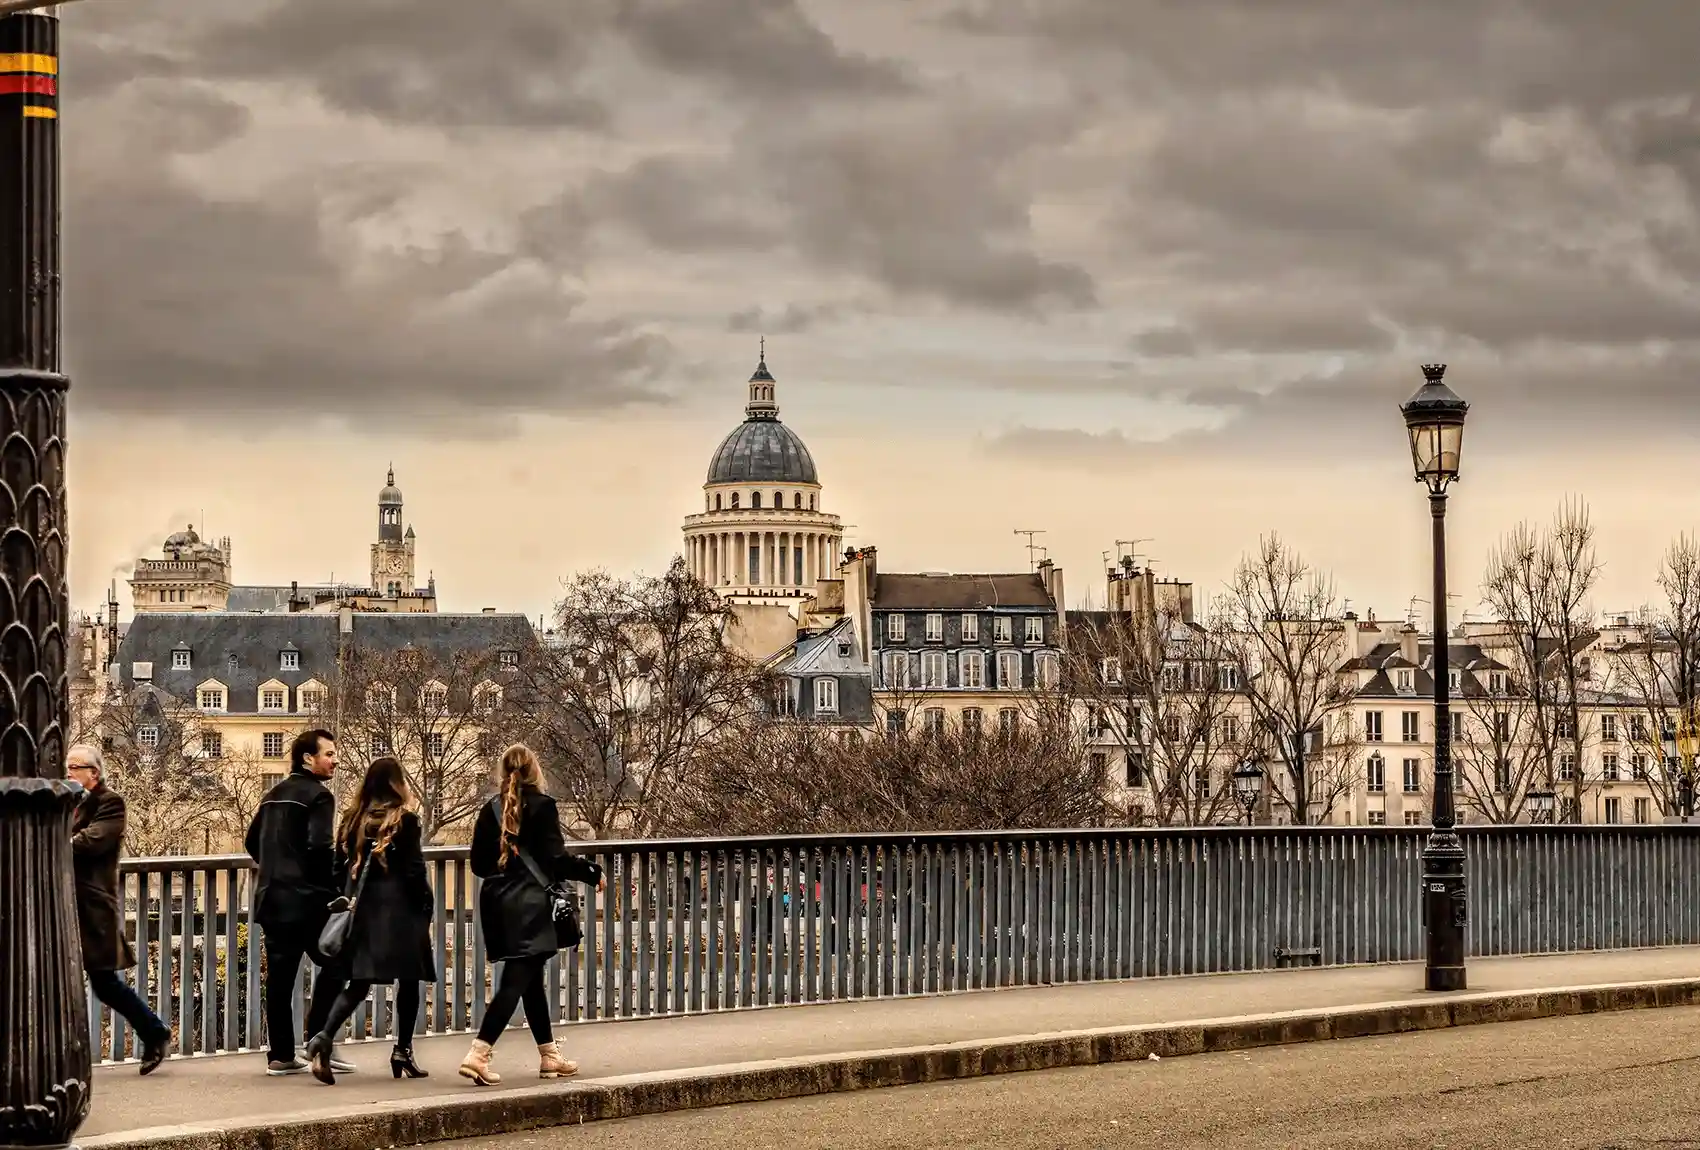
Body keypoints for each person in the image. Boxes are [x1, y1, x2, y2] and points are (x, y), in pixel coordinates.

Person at [459, 744, 603, 1086]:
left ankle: (549, 1055)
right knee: (515, 979)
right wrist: (591, 872)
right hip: (531, 904)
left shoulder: (488, 810)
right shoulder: (542, 807)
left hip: (496, 902)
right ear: (535, 771)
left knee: (529, 978)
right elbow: (556, 859)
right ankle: (478, 1053)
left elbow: (479, 864)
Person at [302, 756, 437, 1085]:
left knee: (358, 983)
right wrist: (426, 906)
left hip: (362, 913)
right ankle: (402, 1050)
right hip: (401, 912)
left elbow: (337, 869)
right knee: (409, 979)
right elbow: (414, 871)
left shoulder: (352, 819)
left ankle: (323, 1037)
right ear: (397, 784)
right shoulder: (405, 820)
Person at [244, 729, 354, 1076]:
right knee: (339, 964)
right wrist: (335, 889)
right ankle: (319, 1042)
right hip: (308, 901)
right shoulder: (319, 797)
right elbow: (321, 847)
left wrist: (275, 866)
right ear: (308, 759)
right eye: (329, 754)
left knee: (279, 979)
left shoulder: (272, 793)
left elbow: (251, 841)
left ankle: (280, 1056)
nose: (335, 761)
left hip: (272, 900)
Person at [67, 744, 172, 1075]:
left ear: (92, 773)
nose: (67, 773)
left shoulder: (109, 802)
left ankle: (154, 1032)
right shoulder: (67, 803)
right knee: (67, 979)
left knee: (103, 982)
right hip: (66, 902)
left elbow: (93, 841)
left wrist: (54, 843)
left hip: (92, 904)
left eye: (73, 768)